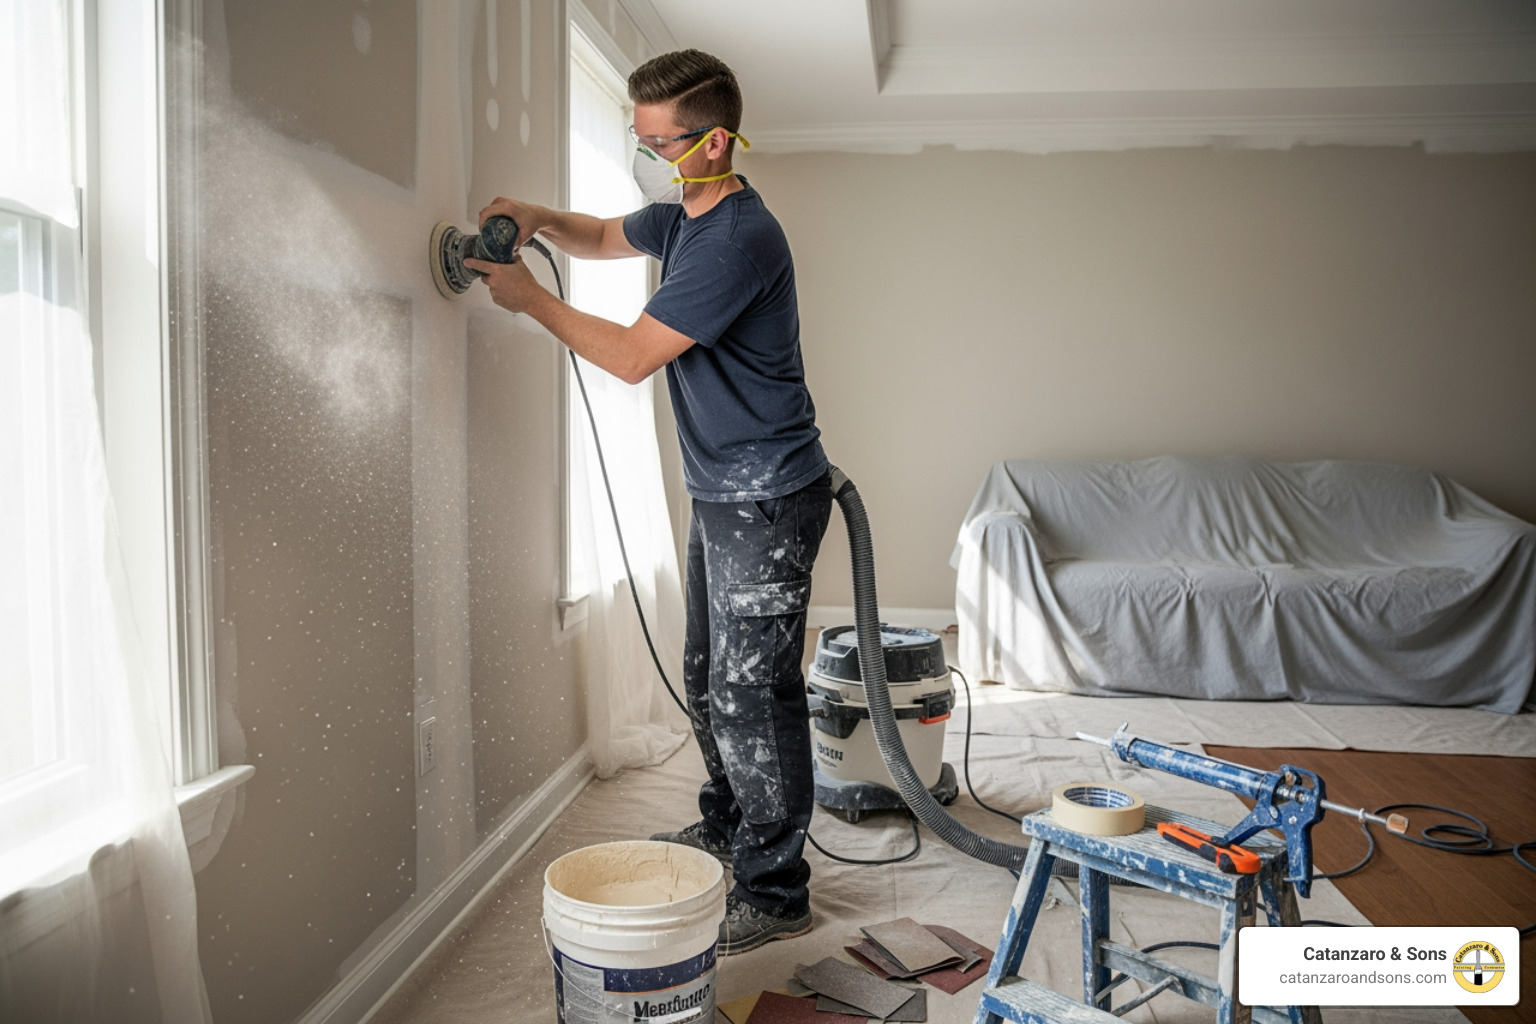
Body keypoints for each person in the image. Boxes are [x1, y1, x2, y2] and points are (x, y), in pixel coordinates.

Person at [465, 48, 830, 956]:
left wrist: (527, 301)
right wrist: (541, 216)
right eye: (638, 139)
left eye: (659, 143)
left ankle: (777, 887)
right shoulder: (683, 218)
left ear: (714, 142)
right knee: (710, 677)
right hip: (722, 491)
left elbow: (631, 357)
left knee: (754, 693)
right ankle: (727, 823)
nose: (646, 155)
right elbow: (599, 237)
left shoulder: (743, 236)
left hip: (768, 499)